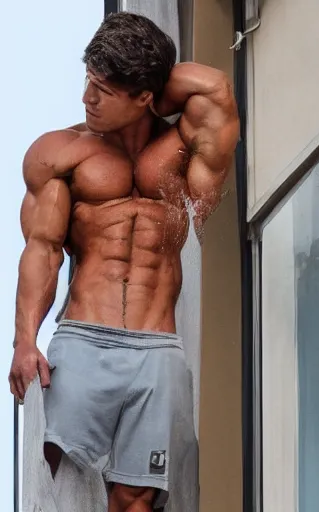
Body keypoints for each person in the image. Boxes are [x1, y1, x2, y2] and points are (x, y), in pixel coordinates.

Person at [7, 12, 238, 511]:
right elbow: (42, 250)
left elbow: (216, 88)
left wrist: (151, 76)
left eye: (104, 90)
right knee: (61, 491)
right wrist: (25, 339)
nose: (87, 99)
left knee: (137, 499)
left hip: (157, 349)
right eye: (87, 82)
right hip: (83, 340)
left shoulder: (182, 149)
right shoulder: (60, 153)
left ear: (145, 96)